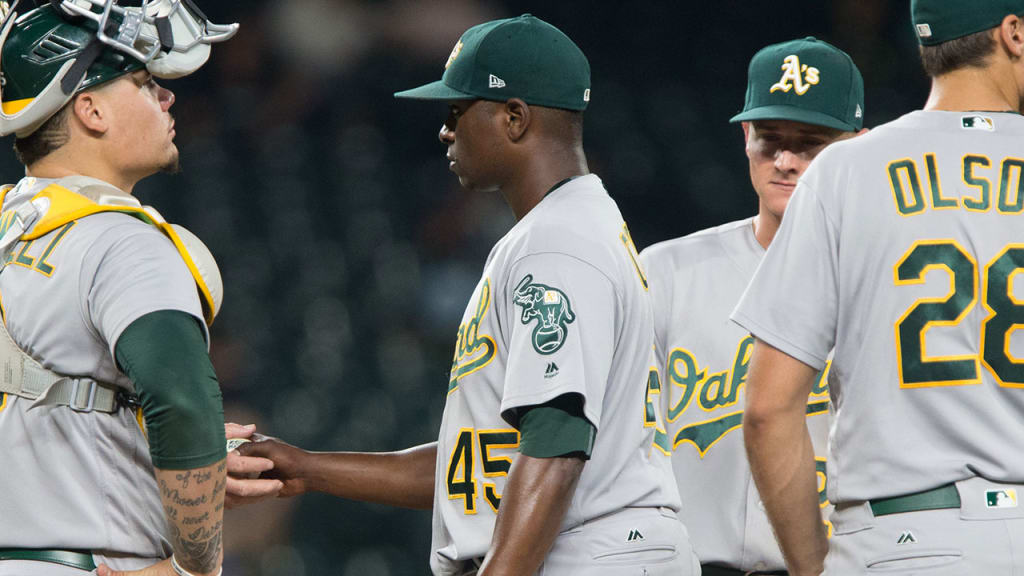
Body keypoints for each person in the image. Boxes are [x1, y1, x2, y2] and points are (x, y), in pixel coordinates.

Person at [228, 14, 696, 576]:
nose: (445, 132)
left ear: (514, 118)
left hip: (592, 555)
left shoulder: (557, 242)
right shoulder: (565, 228)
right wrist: (308, 468)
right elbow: (478, 465)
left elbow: (556, 446)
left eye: (457, 112)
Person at [732, 1, 1024, 574]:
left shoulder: (845, 170)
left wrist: (812, 566)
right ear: (1013, 32)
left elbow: (767, 410)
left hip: (900, 539)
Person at [0, 1, 239, 575]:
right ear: (91, 109)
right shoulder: (122, 241)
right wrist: (193, 567)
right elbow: (183, 403)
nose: (166, 97)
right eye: (144, 82)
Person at [639, 37, 864, 576]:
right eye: (770, 140)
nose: (785, 161)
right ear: (746, 137)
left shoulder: (883, 283)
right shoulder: (668, 271)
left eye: (809, 144)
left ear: (857, 149)